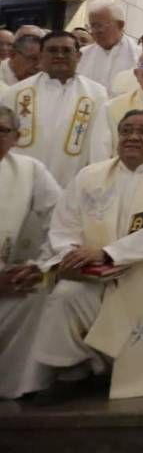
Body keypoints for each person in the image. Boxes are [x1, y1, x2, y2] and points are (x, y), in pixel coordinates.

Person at [31, 110, 143, 401]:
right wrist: (70, 255)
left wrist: (106, 253)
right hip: (93, 278)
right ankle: (70, 373)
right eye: (126, 130)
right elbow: (64, 224)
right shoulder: (90, 175)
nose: (133, 137)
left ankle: (103, 370)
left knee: (133, 355)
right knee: (66, 295)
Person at [0, 106, 62, 399]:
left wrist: (41, 266)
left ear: (17, 137)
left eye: (2, 131)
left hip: (5, 278)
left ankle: (15, 385)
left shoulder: (29, 170)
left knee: (37, 289)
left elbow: (62, 218)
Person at [1, 31, 109, 187]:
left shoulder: (96, 95)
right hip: (19, 184)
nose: (59, 55)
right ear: (41, 56)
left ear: (78, 56)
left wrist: (95, 183)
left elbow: (99, 145)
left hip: (72, 186)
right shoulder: (15, 93)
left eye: (66, 50)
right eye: (52, 50)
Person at [77, 2, 141, 92]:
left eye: (99, 26)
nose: (94, 32)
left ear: (120, 25)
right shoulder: (82, 55)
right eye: (92, 26)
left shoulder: (140, 56)